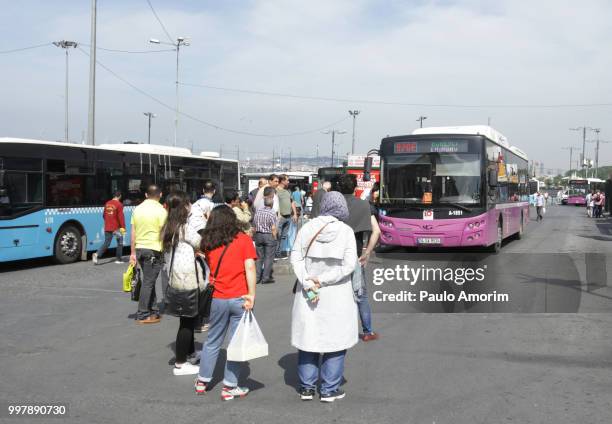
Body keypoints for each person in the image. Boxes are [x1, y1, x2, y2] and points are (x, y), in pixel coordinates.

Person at [290, 191, 358, 402]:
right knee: (336, 340)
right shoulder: (346, 231)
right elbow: (349, 265)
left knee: (308, 338)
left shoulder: (308, 227)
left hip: (309, 291)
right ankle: (329, 389)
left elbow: (296, 257)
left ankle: (306, 388)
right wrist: (326, 279)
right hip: (337, 293)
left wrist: (308, 280)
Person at [195, 206, 257, 401]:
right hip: (239, 296)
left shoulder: (208, 242)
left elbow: (201, 253)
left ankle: (202, 381)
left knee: (213, 340)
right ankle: (229, 386)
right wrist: (252, 295)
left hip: (218, 297)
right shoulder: (244, 239)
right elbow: (250, 267)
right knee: (236, 343)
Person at [161, 191, 203, 376]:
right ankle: (180, 363)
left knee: (187, 319)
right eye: (188, 203)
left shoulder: (169, 226)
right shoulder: (185, 228)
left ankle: (191, 353)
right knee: (186, 323)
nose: (190, 206)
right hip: (186, 280)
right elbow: (200, 242)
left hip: (175, 279)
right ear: (183, 207)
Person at [338, 174, 381, 342]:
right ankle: (367, 331)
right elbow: (376, 231)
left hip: (333, 257)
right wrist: (367, 252)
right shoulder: (364, 205)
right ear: (355, 187)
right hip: (355, 257)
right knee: (360, 295)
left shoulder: (332, 205)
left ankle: (337, 330)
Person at [130, 185, 168, 324]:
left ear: (146, 195)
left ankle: (154, 310)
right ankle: (142, 313)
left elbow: (133, 233)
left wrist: (132, 252)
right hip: (153, 249)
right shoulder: (161, 211)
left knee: (148, 280)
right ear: (160, 194)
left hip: (140, 248)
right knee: (148, 282)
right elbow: (163, 233)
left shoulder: (137, 209)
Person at [253, 187, 278, 284]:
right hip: (268, 235)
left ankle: (257, 277)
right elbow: (273, 228)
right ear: (271, 204)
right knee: (268, 257)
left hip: (258, 235)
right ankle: (266, 277)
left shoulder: (258, 212)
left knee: (259, 257)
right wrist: (275, 237)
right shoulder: (272, 213)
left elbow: (254, 225)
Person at [93, 191, 126, 264]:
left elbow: (104, 215)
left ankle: (97, 254)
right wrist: (123, 227)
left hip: (107, 226)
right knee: (120, 242)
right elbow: (121, 217)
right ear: (119, 196)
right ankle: (118, 259)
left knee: (107, 243)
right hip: (116, 227)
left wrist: (108, 222)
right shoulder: (119, 204)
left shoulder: (107, 203)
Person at [276, 175, 298, 258]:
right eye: (287, 180)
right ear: (282, 181)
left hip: (288, 217)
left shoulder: (288, 191)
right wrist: (279, 215)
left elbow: (292, 202)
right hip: (281, 217)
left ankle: (280, 252)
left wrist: (295, 214)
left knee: (283, 236)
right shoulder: (276, 191)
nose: (288, 182)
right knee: (278, 235)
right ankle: (276, 253)